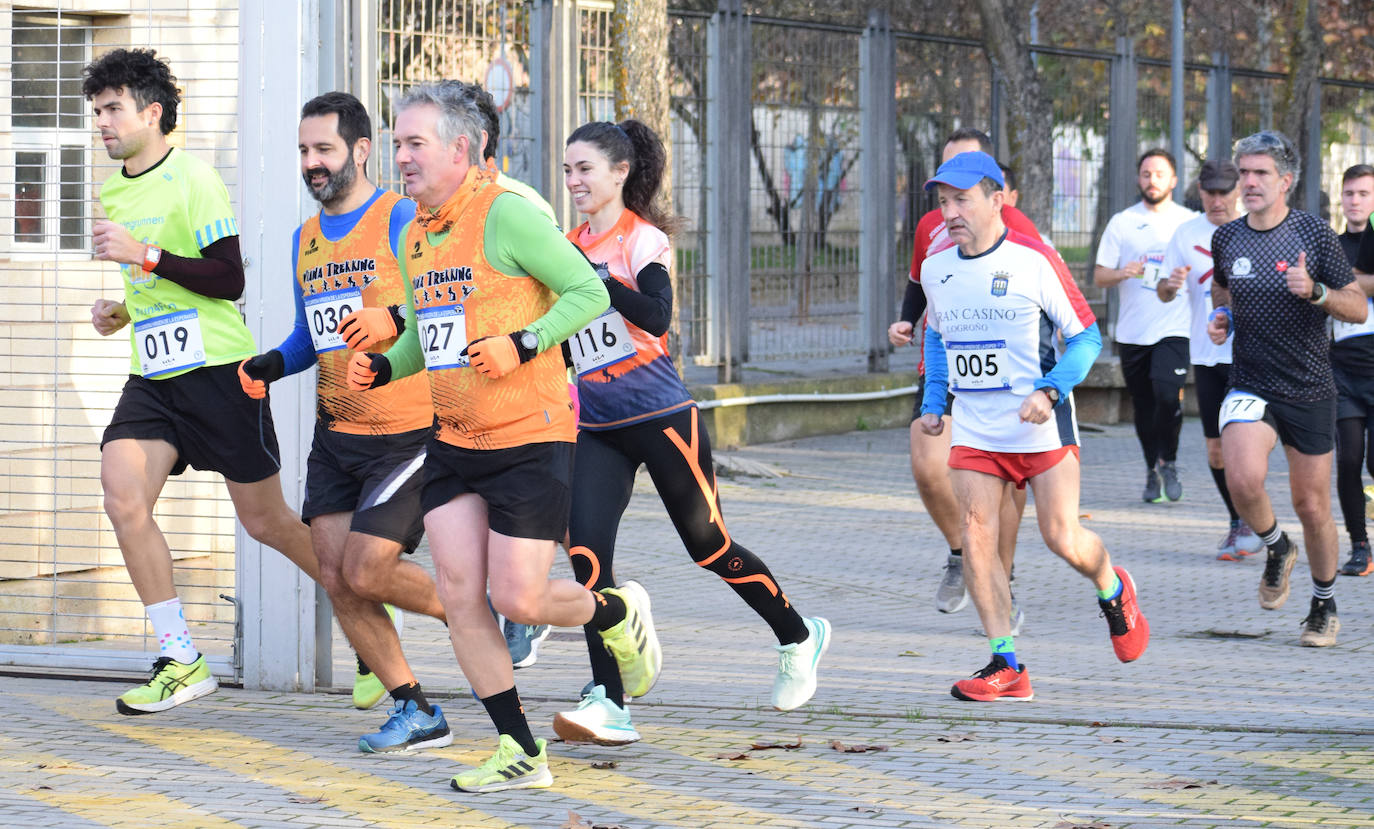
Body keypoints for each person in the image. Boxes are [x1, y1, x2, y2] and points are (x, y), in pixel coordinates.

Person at [342, 81, 656, 793]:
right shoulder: (417, 230)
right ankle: (520, 748)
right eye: (397, 143)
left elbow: (587, 291)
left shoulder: (508, 215)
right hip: (454, 437)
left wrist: (524, 340)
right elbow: (432, 333)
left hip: (529, 435)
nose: (402, 157)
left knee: (518, 598)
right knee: (460, 593)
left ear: (463, 147)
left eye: (414, 143)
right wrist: (387, 364)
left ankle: (616, 608)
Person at [550, 119, 831, 745]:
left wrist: (597, 281)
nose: (573, 181)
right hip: (597, 425)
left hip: (661, 418)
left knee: (709, 548)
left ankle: (798, 634)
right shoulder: (563, 244)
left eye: (585, 169)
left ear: (619, 174)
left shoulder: (641, 240)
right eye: (567, 170)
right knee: (587, 560)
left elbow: (656, 314)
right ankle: (609, 700)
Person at [83, 48, 329, 715]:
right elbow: (157, 285)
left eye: (113, 108)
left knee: (268, 521)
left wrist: (144, 256)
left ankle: (365, 616)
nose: (102, 122)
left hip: (221, 374)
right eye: (97, 110)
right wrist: (124, 308)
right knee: (122, 494)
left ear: (151, 111)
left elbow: (228, 279)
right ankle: (180, 654)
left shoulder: (194, 178)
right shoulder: (114, 190)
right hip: (154, 377)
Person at [236, 92, 451, 753]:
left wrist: (394, 322)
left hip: (408, 432)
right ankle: (415, 707)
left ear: (361, 150)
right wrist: (269, 363)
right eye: (303, 151)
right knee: (335, 573)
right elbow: (312, 335)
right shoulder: (306, 238)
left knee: (365, 569)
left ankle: (490, 606)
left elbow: (440, 307)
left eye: (324, 150)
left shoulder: (400, 218)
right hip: (336, 439)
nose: (312, 163)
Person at [917, 151, 1149, 701]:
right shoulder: (936, 267)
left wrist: (1050, 390)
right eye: (944, 201)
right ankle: (1006, 665)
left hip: (1041, 427)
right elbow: (935, 334)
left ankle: (1113, 588)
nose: (950, 212)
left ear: (998, 199)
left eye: (962, 199)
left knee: (1061, 537)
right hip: (976, 428)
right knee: (977, 537)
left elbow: (1087, 336)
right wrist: (935, 401)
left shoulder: (1034, 261)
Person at [1207, 131, 1366, 648]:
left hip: (1310, 387)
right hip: (1251, 380)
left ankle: (1323, 603)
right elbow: (1223, 288)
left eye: (1260, 175)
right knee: (1243, 478)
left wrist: (1316, 292)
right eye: (1244, 173)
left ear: (1285, 182)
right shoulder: (1227, 237)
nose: (1248, 183)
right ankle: (1277, 547)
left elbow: (1357, 306)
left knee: (1313, 505)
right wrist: (1221, 316)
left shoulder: (1314, 235)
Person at [889, 128, 1036, 626]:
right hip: (946, 364)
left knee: (1006, 488)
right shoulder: (931, 225)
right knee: (929, 467)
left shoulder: (1018, 228)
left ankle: (1001, 579)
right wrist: (908, 320)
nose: (952, 199)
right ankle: (961, 553)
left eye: (965, 181)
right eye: (945, 184)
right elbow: (919, 283)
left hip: (1008, 377)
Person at [452, 79, 559, 668]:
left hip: (526, 403)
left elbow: (568, 295)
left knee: (531, 538)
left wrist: (520, 345)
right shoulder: (429, 215)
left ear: (470, 142)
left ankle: (539, 612)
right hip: (456, 407)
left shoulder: (519, 206)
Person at [1156, 159, 1262, 560]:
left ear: (1238, 189)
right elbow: (1165, 292)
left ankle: (1257, 519)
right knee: (1217, 451)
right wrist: (1169, 285)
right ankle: (1239, 520)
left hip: (1253, 355)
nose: (1217, 199)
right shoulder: (1186, 234)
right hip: (1207, 354)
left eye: (1224, 191)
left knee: (1246, 448)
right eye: (1210, 192)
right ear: (1199, 191)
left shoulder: (1255, 228)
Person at [1094, 149, 1197, 504]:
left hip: (1175, 327)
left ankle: (1170, 461)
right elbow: (1099, 275)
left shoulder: (1189, 222)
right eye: (1146, 173)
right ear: (1138, 179)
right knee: (1143, 405)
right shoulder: (1122, 222)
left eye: (1159, 173)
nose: (1152, 180)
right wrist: (1124, 271)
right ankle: (1151, 468)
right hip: (1133, 331)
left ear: (1173, 180)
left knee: (1168, 395)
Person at [1332, 164, 1374, 576]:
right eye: (1350, 193)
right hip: (1341, 371)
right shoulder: (1332, 246)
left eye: (1364, 193)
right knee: (1348, 461)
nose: (1356, 201)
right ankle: (1360, 546)